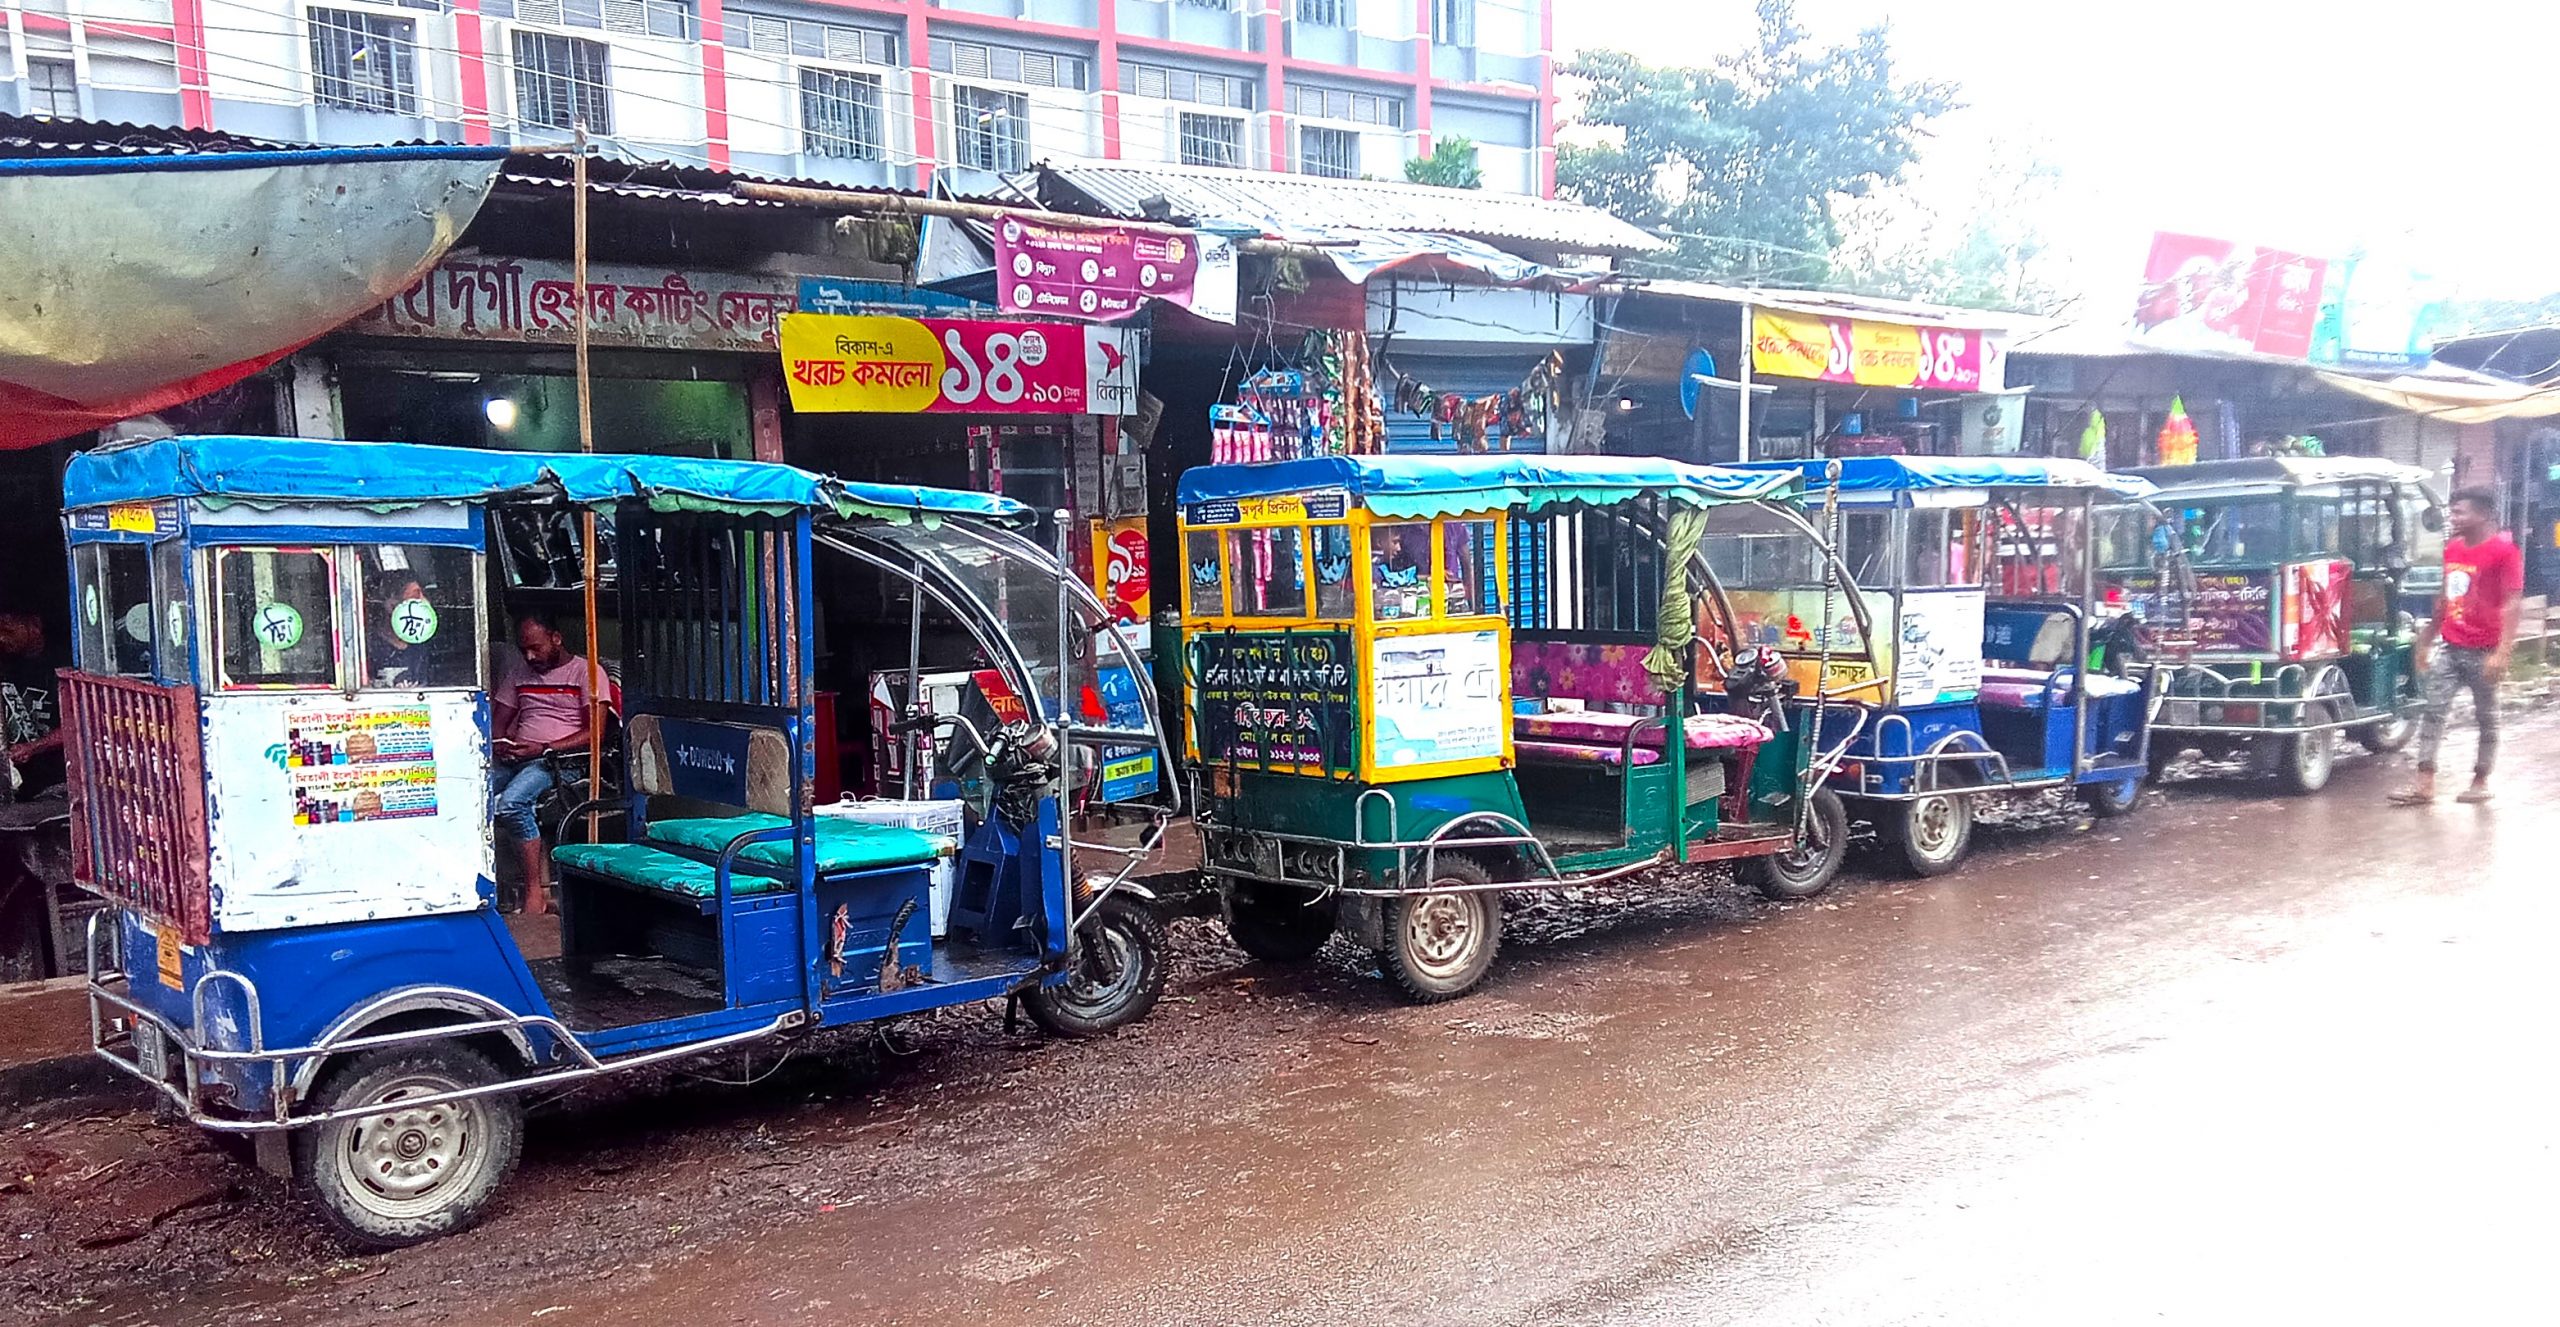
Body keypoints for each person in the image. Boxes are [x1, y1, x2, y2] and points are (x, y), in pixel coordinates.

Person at [2393, 487, 2522, 806]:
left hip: (2485, 650)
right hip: (2451, 646)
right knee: (2433, 711)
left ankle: (2480, 779)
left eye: (2459, 512)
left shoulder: (2504, 552)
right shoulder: (2452, 549)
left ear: (2483, 514)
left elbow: (2512, 603)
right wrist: (2426, 639)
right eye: (2452, 512)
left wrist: (2502, 653)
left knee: (2486, 717)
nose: (2453, 518)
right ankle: (2424, 782)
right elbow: (2444, 597)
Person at [491, 612, 596, 912]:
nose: (530, 656)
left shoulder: (585, 673)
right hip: (518, 757)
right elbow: (498, 723)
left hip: (559, 762)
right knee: (472, 794)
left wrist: (544, 748)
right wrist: (502, 744)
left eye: (536, 648)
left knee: (511, 804)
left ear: (556, 638)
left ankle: (534, 892)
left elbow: (595, 732)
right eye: (524, 649)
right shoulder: (520, 673)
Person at [0, 611, 64, 801]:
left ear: (35, 624)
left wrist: (34, 747)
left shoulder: (62, 667)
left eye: (8, 628)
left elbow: (79, 723)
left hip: (55, 782)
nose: (2, 637)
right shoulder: (7, 664)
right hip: (16, 783)